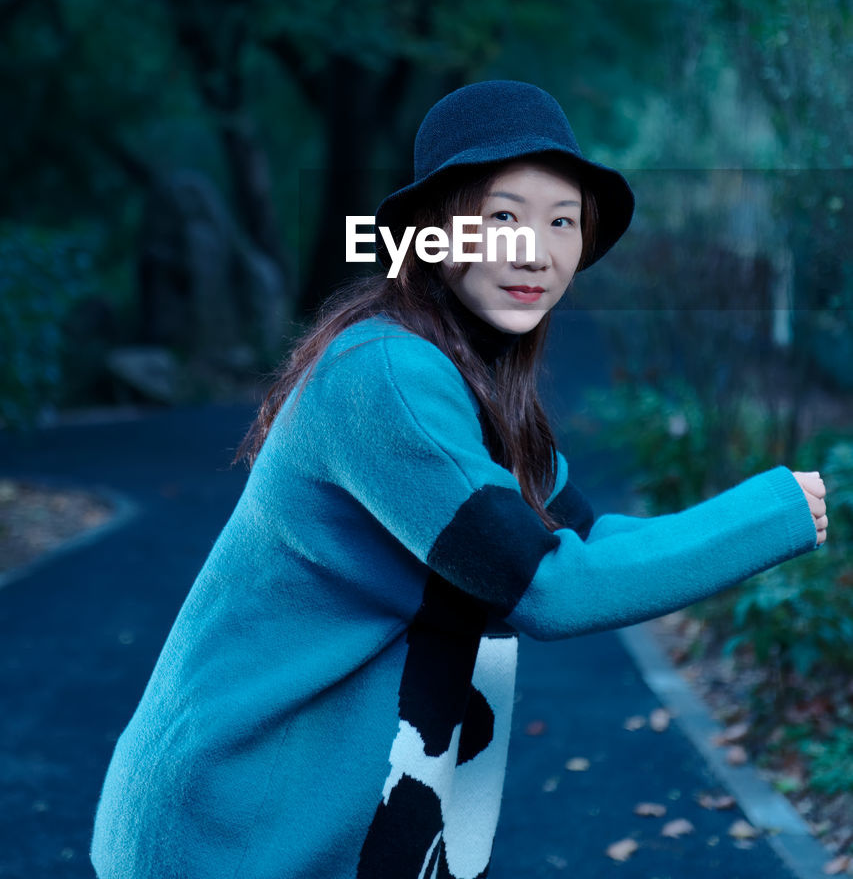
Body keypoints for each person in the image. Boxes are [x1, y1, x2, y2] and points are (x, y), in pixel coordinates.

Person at [90, 80, 828, 879]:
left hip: (314, 811)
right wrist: (776, 510)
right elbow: (551, 587)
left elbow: (587, 539)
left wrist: (784, 506)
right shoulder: (384, 373)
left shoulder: (478, 391)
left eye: (562, 222)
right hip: (230, 818)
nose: (534, 251)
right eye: (502, 216)